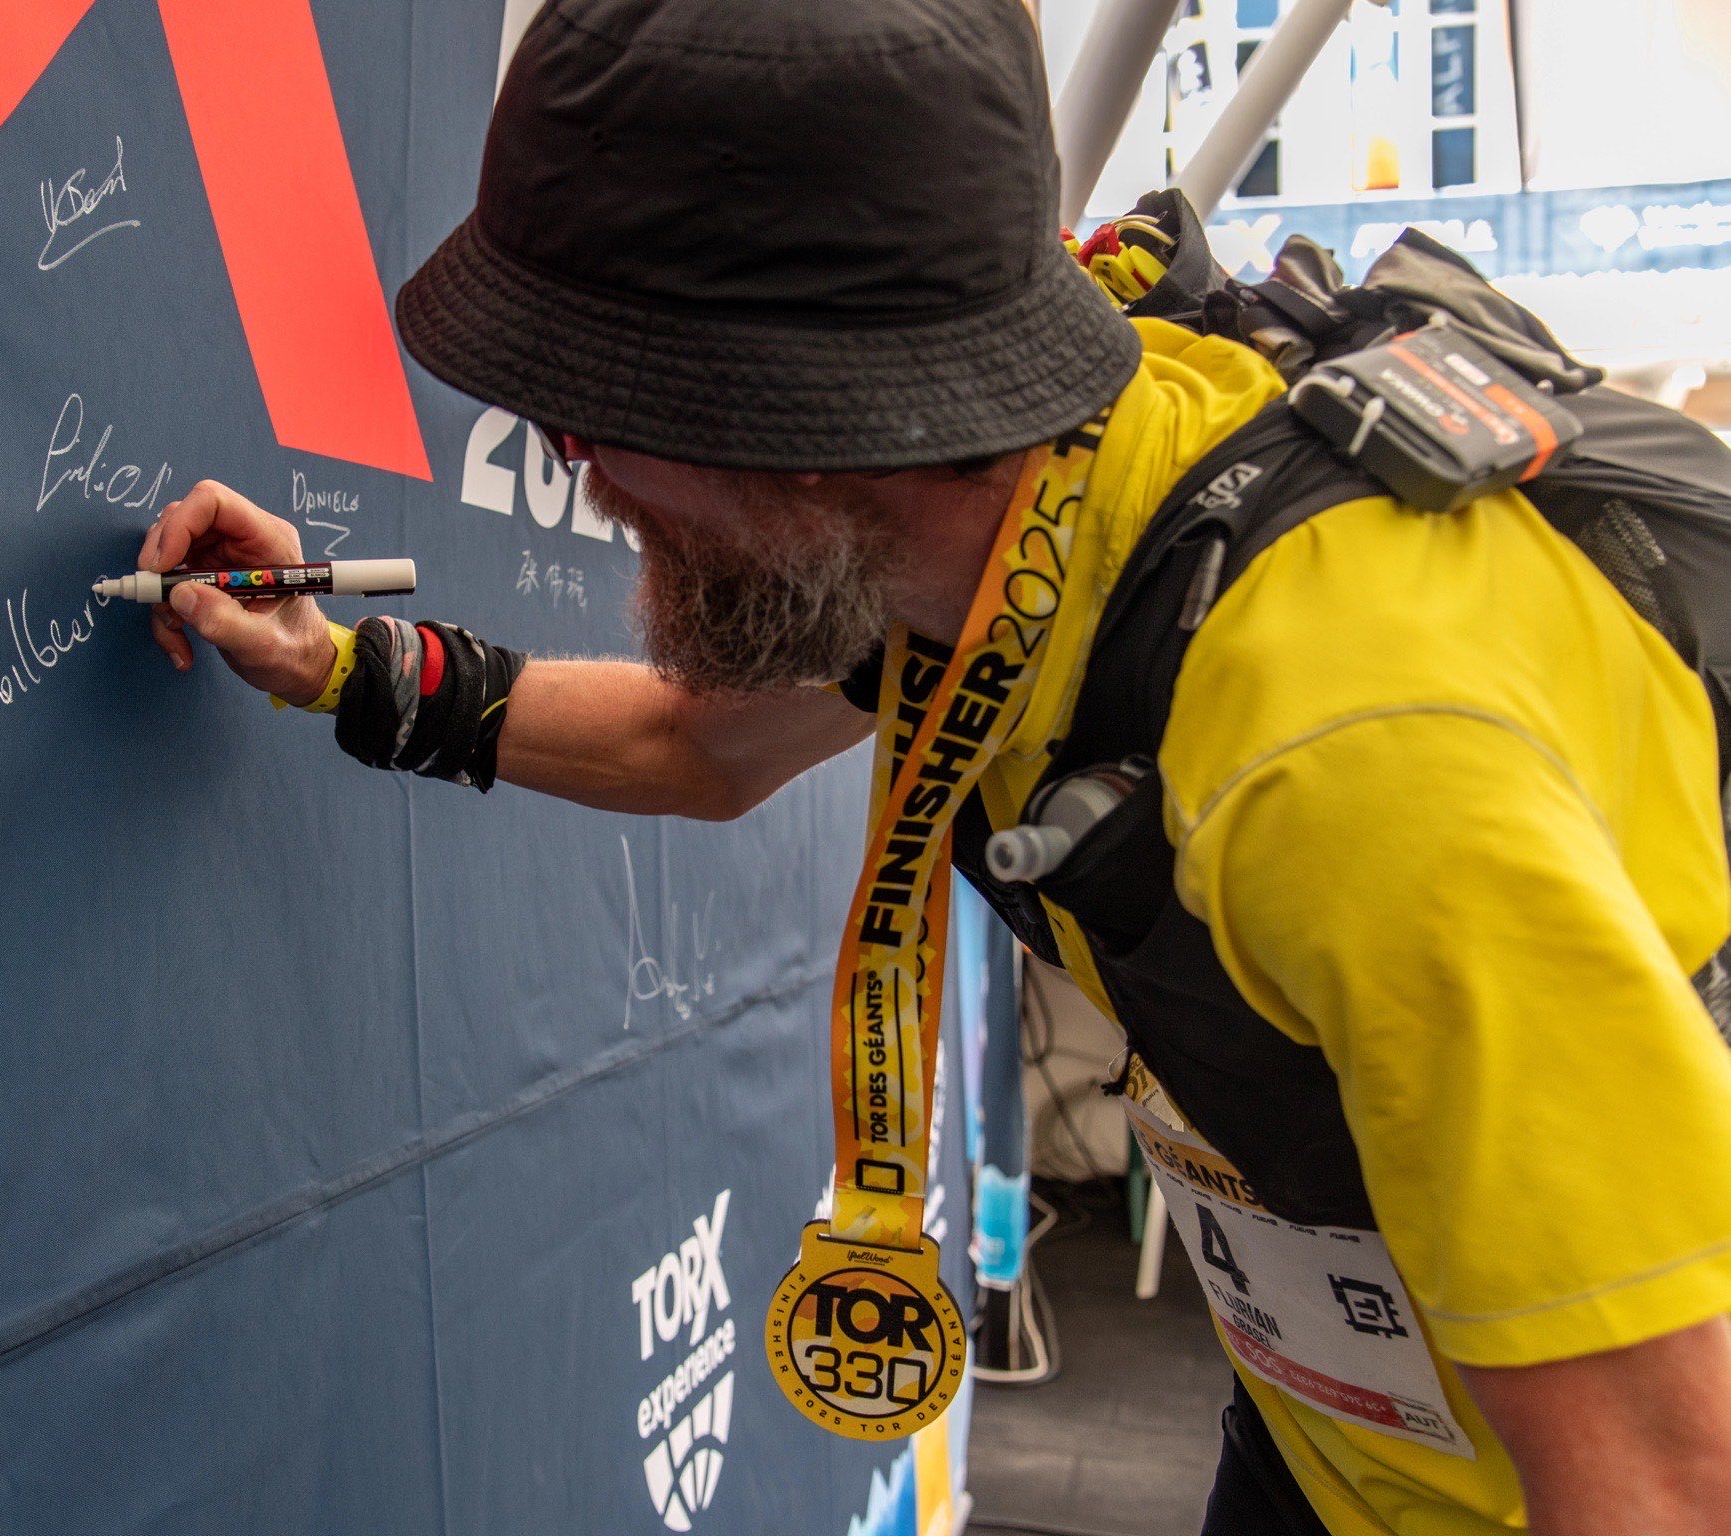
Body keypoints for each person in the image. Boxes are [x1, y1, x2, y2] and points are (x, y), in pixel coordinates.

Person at [137, 2, 1731, 1532]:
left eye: (594, 419)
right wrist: (335, 664)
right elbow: (699, 745)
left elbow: (1668, 1486)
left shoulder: (1356, 759)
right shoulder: (1018, 509)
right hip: (1339, 1444)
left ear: (804, 424)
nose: (586, 474)